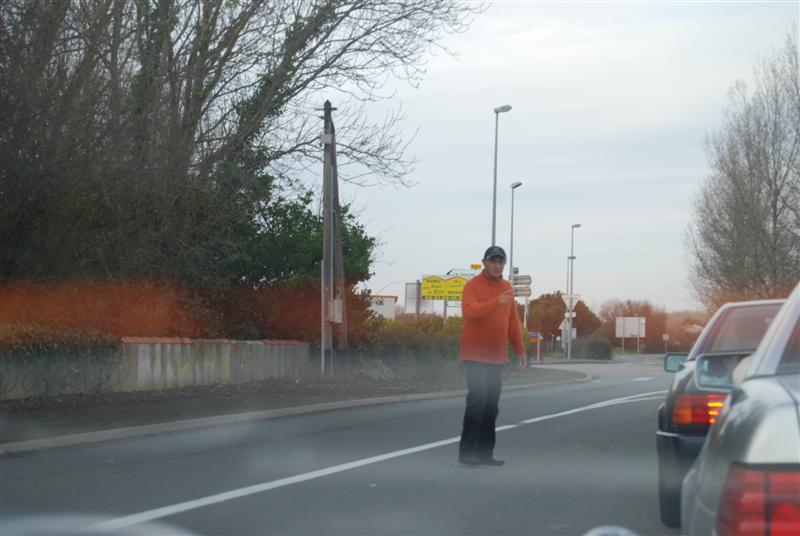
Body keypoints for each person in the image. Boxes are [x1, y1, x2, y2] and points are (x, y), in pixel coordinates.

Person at [458, 245, 526, 466]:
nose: (497, 266)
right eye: (493, 261)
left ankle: (485, 453)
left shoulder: (507, 287)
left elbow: (513, 323)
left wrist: (520, 351)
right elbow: (469, 311)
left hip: (497, 356)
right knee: (477, 401)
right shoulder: (472, 286)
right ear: (484, 263)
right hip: (475, 354)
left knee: (491, 406)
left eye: (501, 262)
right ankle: (467, 453)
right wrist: (495, 303)